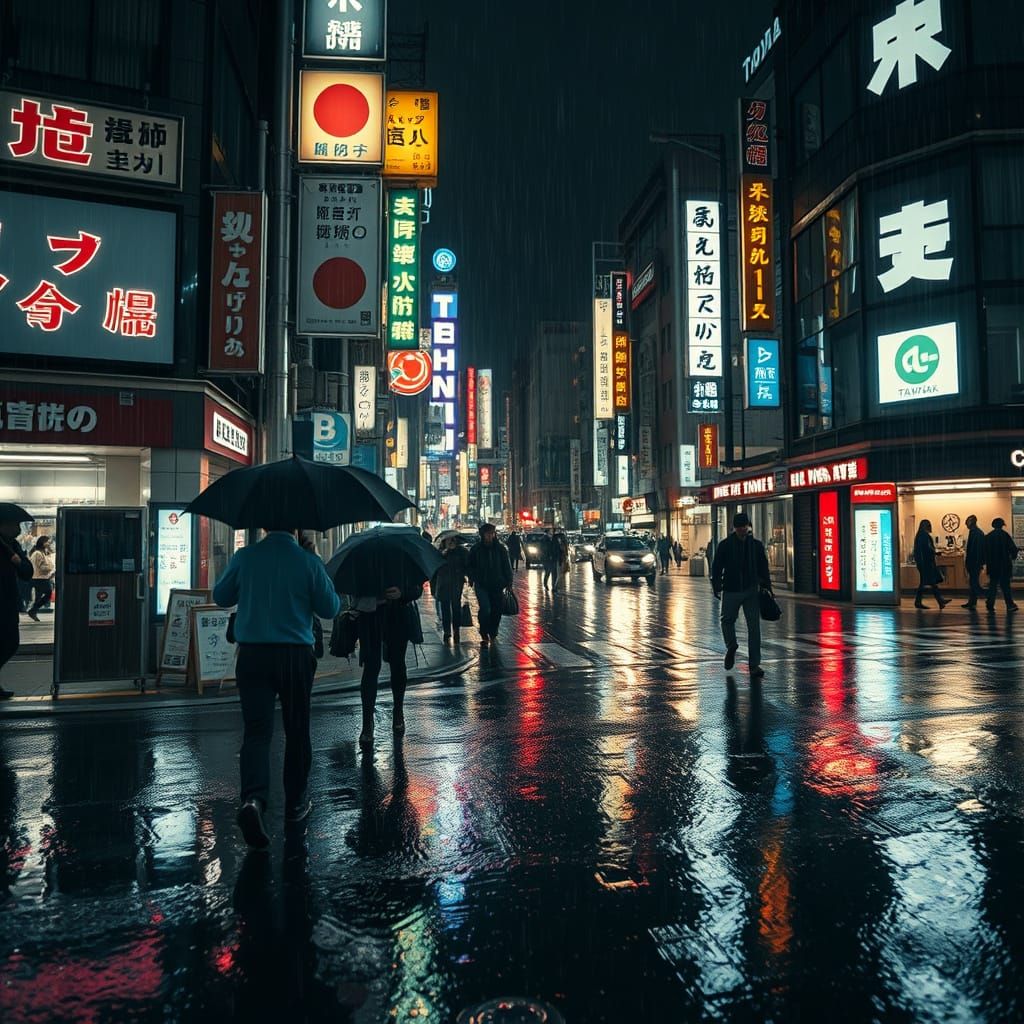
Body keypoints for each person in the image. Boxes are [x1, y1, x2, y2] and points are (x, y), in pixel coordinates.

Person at [213, 528, 341, 850]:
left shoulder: (246, 557)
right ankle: (296, 804)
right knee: (297, 731)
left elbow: (221, 597)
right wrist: (313, 561)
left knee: (256, 732)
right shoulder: (307, 561)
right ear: (297, 528)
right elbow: (330, 608)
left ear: (266, 526)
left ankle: (254, 800)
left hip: (253, 654)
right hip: (294, 656)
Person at [354, 578, 424, 749]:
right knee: (371, 667)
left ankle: (398, 711)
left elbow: (416, 588)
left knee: (397, 664)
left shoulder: (402, 553)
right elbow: (353, 588)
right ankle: (367, 723)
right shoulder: (364, 555)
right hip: (370, 617)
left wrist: (402, 593)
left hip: (397, 614)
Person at [711, 512, 771, 679]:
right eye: (740, 526)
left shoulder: (755, 545)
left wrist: (766, 585)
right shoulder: (726, 545)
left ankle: (754, 665)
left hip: (750, 589)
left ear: (748, 526)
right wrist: (716, 585)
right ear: (734, 528)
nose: (742, 529)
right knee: (727, 621)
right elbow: (717, 567)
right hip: (731, 588)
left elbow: (763, 566)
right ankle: (732, 646)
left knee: (754, 627)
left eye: (744, 526)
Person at [0, 520, 34, 700]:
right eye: (14, 524)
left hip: (8, 601)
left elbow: (27, 572)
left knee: (11, 642)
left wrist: (15, 558)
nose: (18, 529)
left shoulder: (13, 545)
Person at [467, 522, 512, 645]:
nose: (490, 536)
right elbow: (469, 566)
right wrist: (473, 577)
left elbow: (507, 566)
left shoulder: (500, 549)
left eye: (492, 533)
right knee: (485, 608)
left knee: (496, 609)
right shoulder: (476, 549)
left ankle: (493, 630)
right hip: (482, 584)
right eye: (487, 534)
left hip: (497, 584)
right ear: (483, 535)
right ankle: (484, 631)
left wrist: (509, 582)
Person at [432, 535, 468, 645]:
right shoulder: (440, 552)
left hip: (457, 583)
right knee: (445, 608)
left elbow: (467, 565)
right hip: (443, 584)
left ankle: (456, 630)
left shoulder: (461, 551)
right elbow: (435, 568)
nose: (451, 541)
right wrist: (444, 554)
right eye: (448, 540)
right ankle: (447, 632)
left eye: (452, 539)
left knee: (456, 607)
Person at [984, 517, 1019, 612]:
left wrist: (986, 563)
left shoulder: (988, 536)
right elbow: (1013, 549)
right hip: (1004, 565)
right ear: (1002, 525)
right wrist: (1013, 557)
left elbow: (985, 552)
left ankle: (990, 604)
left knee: (993, 586)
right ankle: (1010, 605)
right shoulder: (1005, 535)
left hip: (993, 566)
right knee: (1005, 586)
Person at [913, 519, 949, 609]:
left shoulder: (919, 536)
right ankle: (939, 601)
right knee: (929, 582)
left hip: (923, 563)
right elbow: (928, 550)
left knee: (927, 582)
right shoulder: (925, 536)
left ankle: (939, 601)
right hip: (926, 563)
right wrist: (935, 553)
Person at [26, 536, 55, 621]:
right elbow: (39, 567)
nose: (49, 543)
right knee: (48, 593)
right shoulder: (37, 553)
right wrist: (50, 567)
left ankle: (33, 612)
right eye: (47, 542)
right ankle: (33, 610)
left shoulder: (43, 553)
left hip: (42, 577)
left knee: (38, 597)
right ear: (42, 542)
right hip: (39, 578)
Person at [962, 514, 987, 609]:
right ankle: (972, 602)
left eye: (967, 522)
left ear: (972, 522)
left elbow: (975, 550)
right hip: (975, 562)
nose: (966, 524)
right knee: (973, 583)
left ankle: (987, 594)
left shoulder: (975, 533)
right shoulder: (977, 532)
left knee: (974, 583)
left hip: (974, 563)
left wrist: (974, 563)